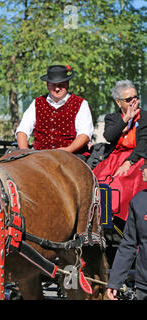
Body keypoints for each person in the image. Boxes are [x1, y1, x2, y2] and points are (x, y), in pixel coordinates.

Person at [93, 80, 147, 223]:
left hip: (138, 157)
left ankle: (120, 221)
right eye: (128, 99)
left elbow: (143, 143)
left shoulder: (145, 117)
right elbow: (109, 136)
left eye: (135, 97)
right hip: (115, 157)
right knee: (99, 181)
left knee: (120, 182)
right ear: (118, 102)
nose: (133, 101)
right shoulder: (112, 118)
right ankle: (101, 219)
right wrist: (126, 118)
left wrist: (130, 161)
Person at [16, 65, 94, 160]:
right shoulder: (37, 103)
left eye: (61, 85)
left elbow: (84, 135)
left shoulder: (81, 104)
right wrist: (25, 153)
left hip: (72, 156)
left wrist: (67, 150)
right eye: (53, 85)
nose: (57, 89)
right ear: (47, 85)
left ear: (67, 84)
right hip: (40, 156)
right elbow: (22, 131)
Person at [106, 155, 147, 300]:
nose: (141, 168)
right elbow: (128, 244)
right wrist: (115, 282)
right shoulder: (138, 201)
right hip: (143, 285)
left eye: (146, 165)